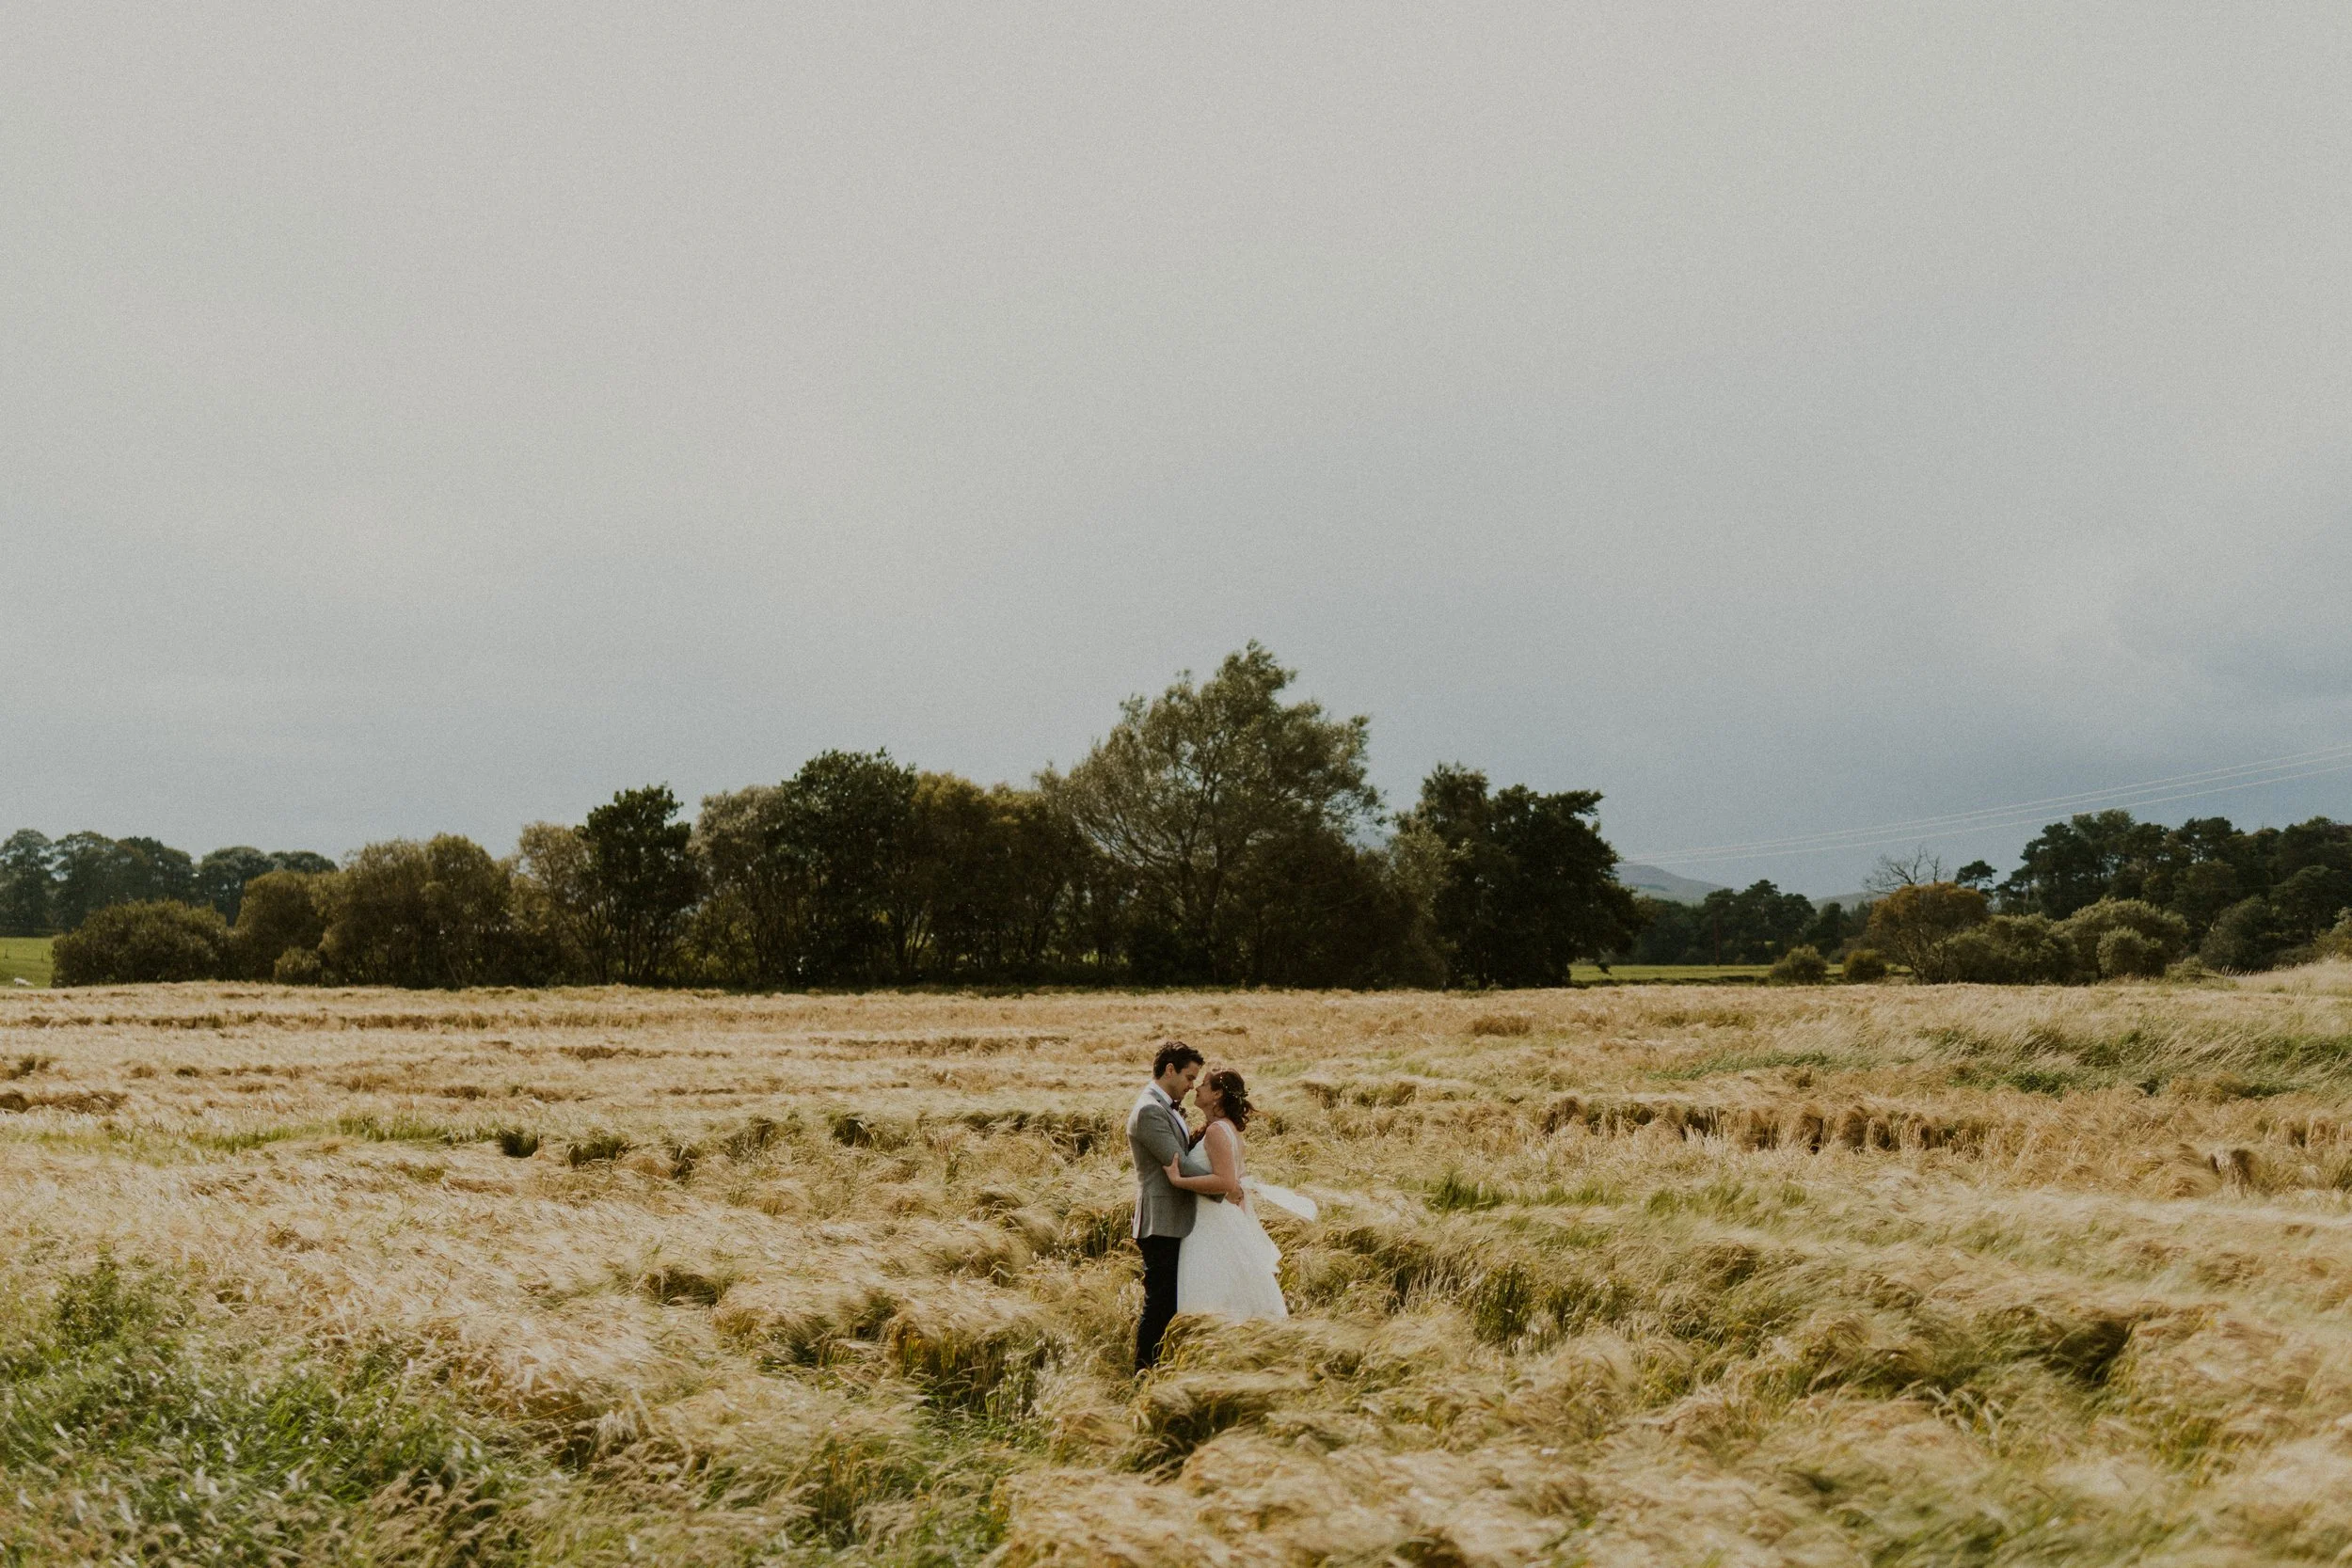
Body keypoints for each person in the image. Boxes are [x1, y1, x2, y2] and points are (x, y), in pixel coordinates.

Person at [1161, 1067, 1292, 1322]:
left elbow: (1226, 1181)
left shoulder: (1218, 1131)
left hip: (1211, 1221)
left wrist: (1178, 1181)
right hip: (1218, 1218)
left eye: (1205, 1085)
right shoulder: (1226, 1128)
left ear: (1218, 1094)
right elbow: (1236, 1182)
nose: (1197, 1087)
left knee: (1209, 1287)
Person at [1127, 1039, 1213, 1370]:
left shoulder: (1164, 1106)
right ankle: (1143, 1373)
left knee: (1171, 1301)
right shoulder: (1149, 1109)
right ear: (1170, 1070)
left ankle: (1162, 1367)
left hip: (1175, 1218)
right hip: (1160, 1220)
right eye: (1190, 1078)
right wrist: (1223, 1184)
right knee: (1160, 1303)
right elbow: (1177, 1162)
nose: (1192, 1086)